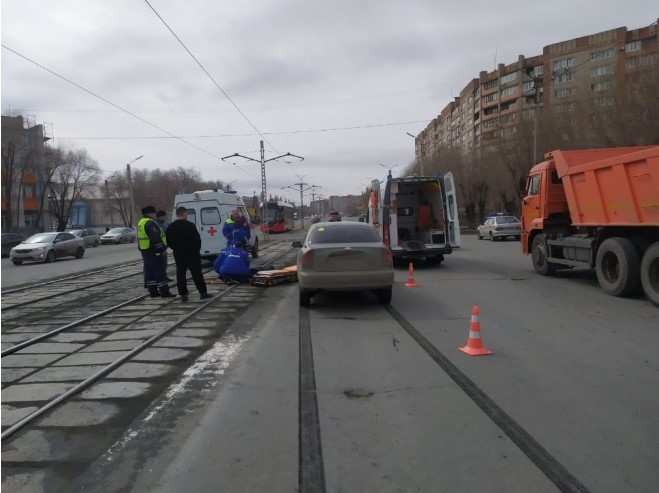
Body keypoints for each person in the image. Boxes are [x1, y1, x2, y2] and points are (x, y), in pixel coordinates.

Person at [166, 207, 209, 301]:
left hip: (179, 254)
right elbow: (197, 240)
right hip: (192, 254)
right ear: (184, 214)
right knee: (197, 273)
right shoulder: (190, 225)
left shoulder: (171, 227)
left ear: (177, 214)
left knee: (181, 274)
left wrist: (176, 248)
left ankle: (183, 295)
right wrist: (196, 250)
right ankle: (203, 293)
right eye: (186, 214)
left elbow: (168, 241)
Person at [137, 205, 174, 298]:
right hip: (154, 251)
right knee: (160, 271)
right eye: (153, 213)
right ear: (150, 213)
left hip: (145, 251)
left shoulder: (140, 222)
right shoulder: (150, 223)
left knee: (150, 272)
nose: (155, 215)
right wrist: (161, 250)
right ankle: (165, 292)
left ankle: (153, 291)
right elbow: (155, 238)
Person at [156, 210, 172, 281]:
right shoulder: (156, 224)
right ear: (160, 217)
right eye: (163, 217)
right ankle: (160, 278)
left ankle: (164, 276)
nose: (165, 218)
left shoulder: (165, 223)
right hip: (159, 247)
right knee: (160, 264)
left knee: (165, 263)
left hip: (165, 247)